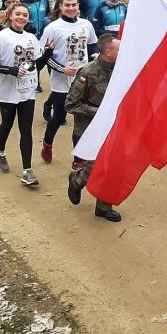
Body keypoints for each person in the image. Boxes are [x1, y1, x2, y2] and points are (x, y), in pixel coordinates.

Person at [0, 3, 52, 187]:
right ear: (10, 16)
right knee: (7, 124)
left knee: (26, 129)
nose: (21, 18)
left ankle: (27, 171)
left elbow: (36, 65)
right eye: (18, 14)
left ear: (28, 19)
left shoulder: (31, 38)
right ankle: (0, 150)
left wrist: (49, 52)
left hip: (27, 90)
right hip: (7, 91)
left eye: (25, 15)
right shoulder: (1, 37)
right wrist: (10, 70)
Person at [65, 33, 122, 222]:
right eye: (118, 49)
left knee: (112, 168)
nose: (122, 52)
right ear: (108, 52)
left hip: (113, 128)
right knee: (94, 169)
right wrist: (99, 111)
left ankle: (104, 206)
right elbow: (71, 104)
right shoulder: (88, 72)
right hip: (90, 130)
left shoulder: (121, 70)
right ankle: (77, 179)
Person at [39, 0, 98, 164]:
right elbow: (44, 56)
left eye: (74, 5)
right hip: (62, 80)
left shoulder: (86, 24)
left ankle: (78, 160)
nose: (71, 8)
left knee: (81, 118)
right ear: (60, 6)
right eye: (67, 5)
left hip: (83, 79)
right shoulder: (52, 28)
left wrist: (94, 55)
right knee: (59, 116)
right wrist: (62, 69)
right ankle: (47, 143)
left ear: (78, 6)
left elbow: (92, 44)